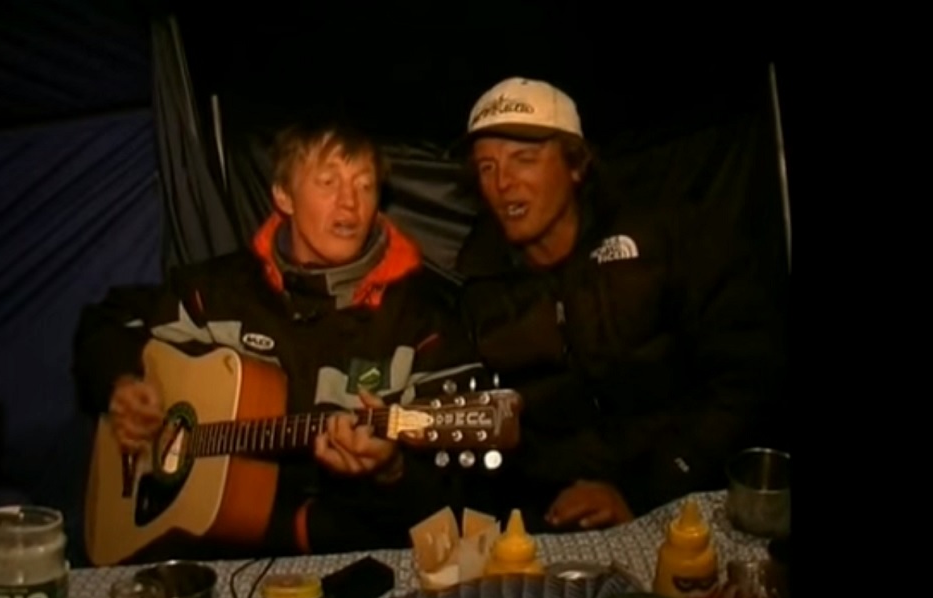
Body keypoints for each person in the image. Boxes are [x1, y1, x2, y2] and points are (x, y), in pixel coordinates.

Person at [72, 117, 487, 557]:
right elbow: (105, 322)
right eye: (328, 182)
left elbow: (453, 498)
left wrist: (391, 470)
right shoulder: (213, 292)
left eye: (365, 186)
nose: (349, 203)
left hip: (336, 556)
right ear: (283, 196)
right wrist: (121, 383)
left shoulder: (423, 319)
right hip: (207, 554)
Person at [453, 77, 788, 531]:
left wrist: (648, 489)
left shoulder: (664, 236)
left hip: (689, 493)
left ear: (575, 165)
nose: (503, 183)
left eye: (524, 159)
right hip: (558, 518)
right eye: (487, 167)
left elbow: (746, 374)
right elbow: (497, 440)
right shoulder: (477, 284)